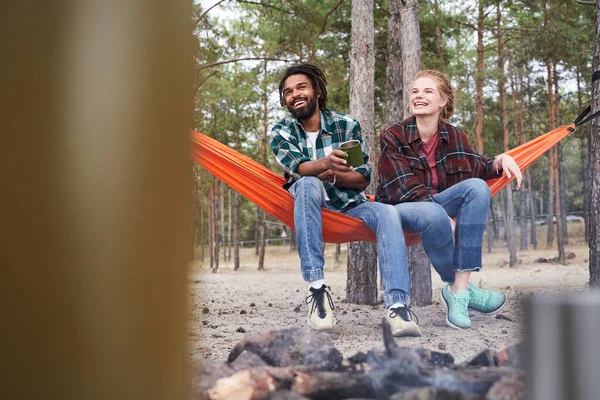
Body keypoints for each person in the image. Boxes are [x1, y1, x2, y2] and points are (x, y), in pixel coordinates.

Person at [269, 63, 420, 337]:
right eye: (288, 92)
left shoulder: (346, 125)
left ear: (316, 91)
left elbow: (362, 178)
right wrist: (325, 165)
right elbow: (300, 168)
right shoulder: (282, 132)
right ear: (284, 100)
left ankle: (397, 307)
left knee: (387, 212)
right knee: (307, 183)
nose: (295, 94)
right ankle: (317, 291)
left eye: (301, 87)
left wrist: (335, 176)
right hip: (308, 204)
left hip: (349, 204)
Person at [376, 70, 523, 330]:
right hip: (402, 208)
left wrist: (502, 160)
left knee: (478, 188)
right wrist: (443, 216)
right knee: (432, 212)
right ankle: (466, 292)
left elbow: (479, 167)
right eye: (415, 91)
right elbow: (402, 187)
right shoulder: (393, 135)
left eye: (428, 91)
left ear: (443, 101)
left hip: (437, 205)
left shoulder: (454, 135)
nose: (419, 96)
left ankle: (459, 291)